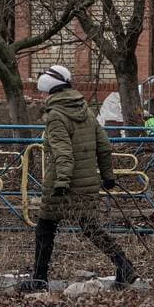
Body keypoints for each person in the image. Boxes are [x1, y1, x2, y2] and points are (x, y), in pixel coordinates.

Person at [16, 64, 136, 292]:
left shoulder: (56, 116)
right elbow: (103, 145)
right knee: (90, 227)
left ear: (50, 91)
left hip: (64, 184)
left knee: (44, 228)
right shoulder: (85, 109)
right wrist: (108, 176)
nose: (42, 96)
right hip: (87, 182)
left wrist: (61, 183)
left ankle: (40, 279)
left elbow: (63, 152)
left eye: (43, 92)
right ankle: (124, 266)